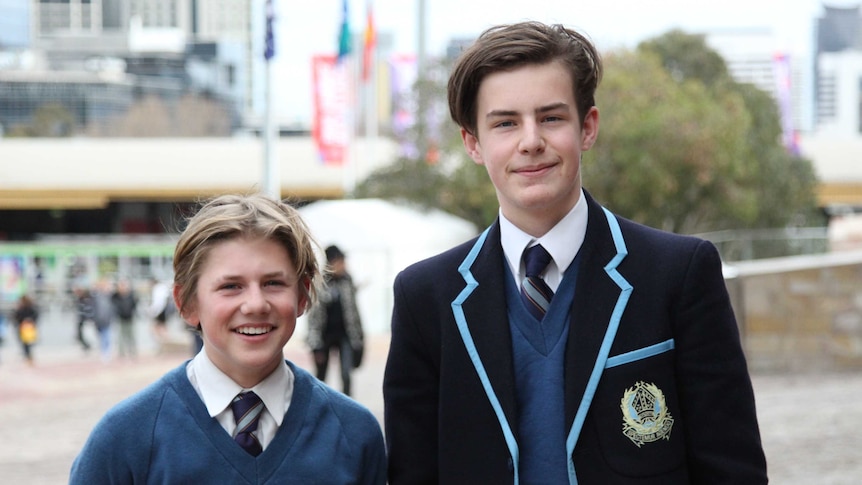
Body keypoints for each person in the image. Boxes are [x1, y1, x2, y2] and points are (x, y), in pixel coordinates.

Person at [382, 21, 767, 484]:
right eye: (505, 123)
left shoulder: (677, 274)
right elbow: (413, 473)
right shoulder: (426, 298)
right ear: (473, 144)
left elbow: (732, 468)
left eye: (551, 117)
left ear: (587, 127)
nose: (530, 141)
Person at [71, 193, 386, 484]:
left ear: (303, 295)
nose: (255, 304)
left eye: (273, 283)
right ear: (186, 303)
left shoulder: (354, 434)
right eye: (231, 286)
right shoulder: (125, 439)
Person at [305, 245, 365, 396]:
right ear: (331, 263)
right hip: (325, 336)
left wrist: (359, 339)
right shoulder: (320, 282)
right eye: (340, 262)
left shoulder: (347, 280)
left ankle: (347, 405)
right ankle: (319, 406)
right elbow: (313, 316)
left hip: (345, 334)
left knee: (346, 374)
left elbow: (354, 311)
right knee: (321, 375)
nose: (343, 265)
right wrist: (314, 344)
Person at [111, 278, 138, 359]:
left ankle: (132, 352)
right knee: (120, 337)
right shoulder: (116, 296)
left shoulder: (131, 295)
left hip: (130, 318)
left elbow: (134, 304)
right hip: (120, 318)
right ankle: (121, 353)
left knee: (131, 336)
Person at [13, 294, 39, 365]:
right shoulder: (30, 308)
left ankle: (28, 356)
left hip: (25, 328)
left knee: (25, 343)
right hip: (26, 328)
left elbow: (16, 317)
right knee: (27, 344)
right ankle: (28, 356)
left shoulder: (22, 308)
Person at [148, 276, 171, 353]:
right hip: (164, 310)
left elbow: (158, 302)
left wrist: (153, 312)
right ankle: (163, 345)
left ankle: (162, 345)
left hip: (160, 311)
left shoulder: (157, 289)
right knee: (161, 328)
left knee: (157, 329)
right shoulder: (162, 288)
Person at [72, 285, 94, 353]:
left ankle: (88, 346)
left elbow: (88, 310)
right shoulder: (80, 299)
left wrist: (88, 318)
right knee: (79, 335)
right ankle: (86, 346)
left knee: (86, 334)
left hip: (85, 320)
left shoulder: (87, 300)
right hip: (80, 320)